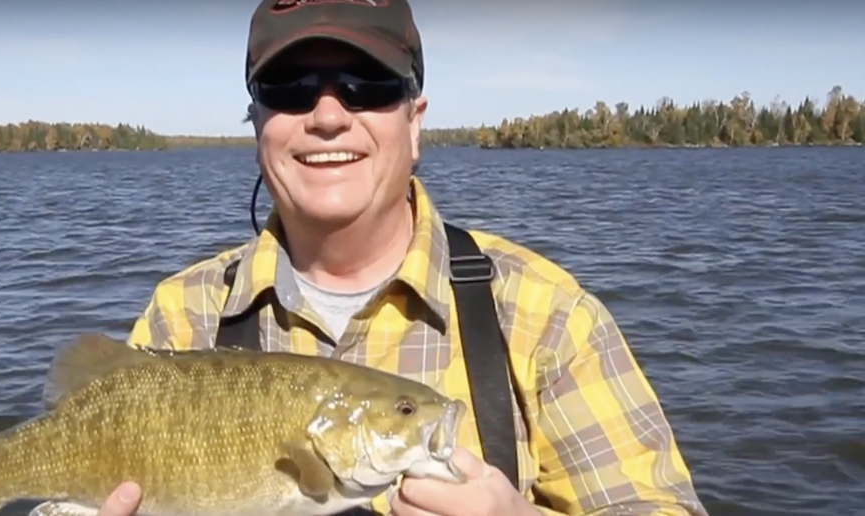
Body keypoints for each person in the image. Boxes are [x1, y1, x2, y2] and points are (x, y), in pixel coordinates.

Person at [94, 1, 708, 515]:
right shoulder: (184, 313)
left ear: (415, 123)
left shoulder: (543, 314)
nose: (329, 116)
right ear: (257, 124)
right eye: (290, 89)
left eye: (368, 84)